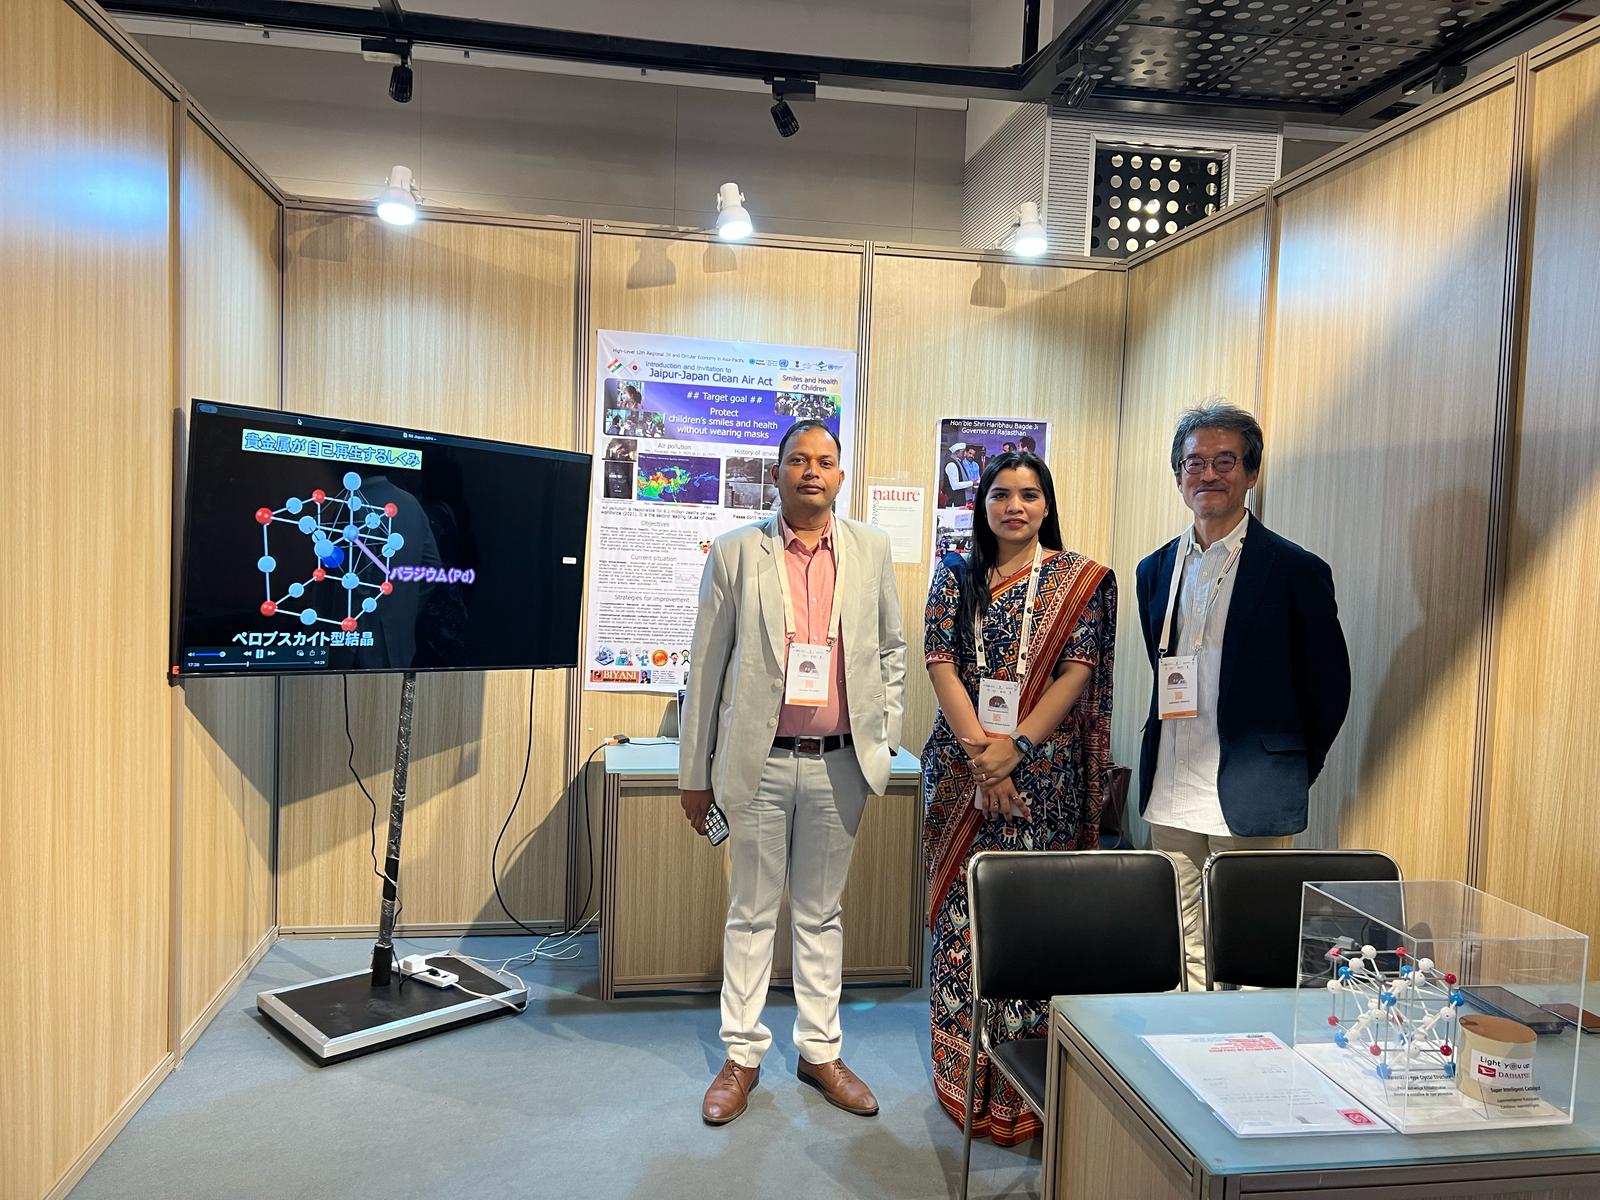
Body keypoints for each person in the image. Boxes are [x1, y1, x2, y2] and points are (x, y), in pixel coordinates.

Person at [679, 419, 907, 1127]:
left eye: (825, 461)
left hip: (841, 762)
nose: (813, 471)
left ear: (840, 475)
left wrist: (883, 733)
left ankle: (820, 1051)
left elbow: (891, 650)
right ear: (775, 473)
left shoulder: (871, 548)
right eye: (799, 460)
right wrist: (694, 774)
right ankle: (742, 1056)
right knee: (750, 913)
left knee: (820, 913)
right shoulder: (736, 552)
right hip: (759, 763)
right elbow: (706, 668)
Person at [921, 449, 1116, 1145]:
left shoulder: (1079, 580)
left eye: (1029, 495)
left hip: (1044, 776)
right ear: (982, 505)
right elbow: (940, 663)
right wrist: (985, 760)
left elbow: (1077, 671)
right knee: (964, 928)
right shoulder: (955, 573)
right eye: (1001, 494)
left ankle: (1027, 1092)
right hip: (964, 770)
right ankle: (965, 1083)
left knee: (1033, 928)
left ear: (1046, 504)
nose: (1014, 506)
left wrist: (1018, 750)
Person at [1135, 401, 1351, 991]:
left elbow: (1329, 688)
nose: (1208, 474)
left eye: (1225, 461)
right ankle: (1188, 1039)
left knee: (1250, 945)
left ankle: (1241, 1046)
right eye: (1194, 463)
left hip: (1253, 787)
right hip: (1172, 784)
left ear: (1251, 473)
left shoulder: (1295, 570)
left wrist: (1291, 768)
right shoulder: (1154, 570)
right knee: (1180, 941)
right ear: (1178, 476)